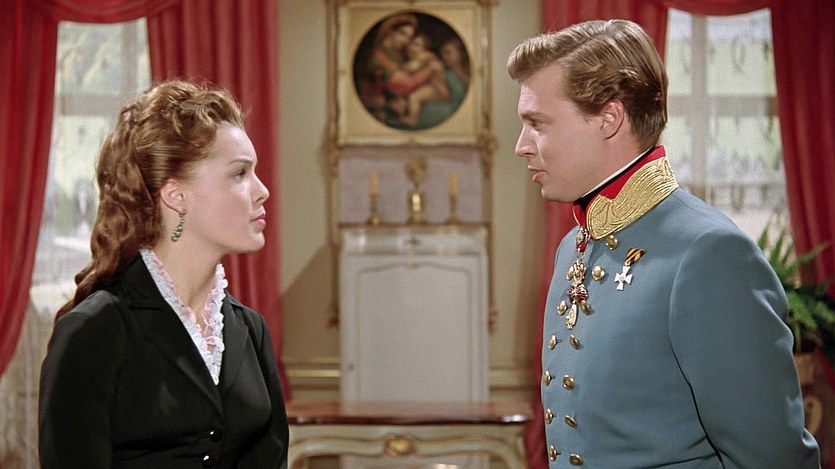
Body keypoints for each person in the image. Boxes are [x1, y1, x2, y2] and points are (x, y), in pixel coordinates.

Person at [508, 19, 820, 468]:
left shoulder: (709, 255)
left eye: (537, 123)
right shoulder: (576, 242)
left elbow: (775, 460)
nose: (521, 145)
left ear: (609, 119)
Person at [38, 80, 289, 468]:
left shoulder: (250, 331)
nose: (262, 190)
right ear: (176, 195)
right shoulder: (96, 330)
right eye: (240, 173)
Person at [398, 33, 450, 127]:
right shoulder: (413, 59)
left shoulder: (425, 57)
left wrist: (405, 68)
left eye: (416, 45)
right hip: (428, 87)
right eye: (410, 44)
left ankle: (412, 120)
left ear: (425, 49)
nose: (411, 47)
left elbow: (412, 68)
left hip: (437, 89)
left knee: (414, 97)